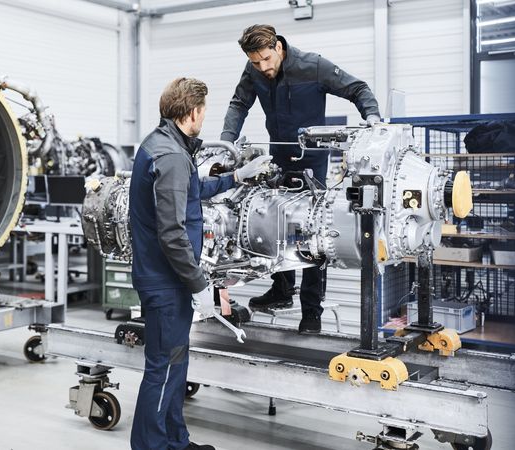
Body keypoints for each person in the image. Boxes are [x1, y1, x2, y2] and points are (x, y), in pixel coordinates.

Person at [129, 77, 272, 450]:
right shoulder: (172, 157)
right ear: (192, 112)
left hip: (166, 278)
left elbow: (194, 193)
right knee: (162, 368)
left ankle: (176, 440)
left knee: (176, 363)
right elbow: (172, 234)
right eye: (204, 111)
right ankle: (152, 446)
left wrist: (237, 177)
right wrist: (198, 284)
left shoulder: (164, 145)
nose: (204, 118)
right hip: (166, 282)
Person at [220, 24, 382, 334]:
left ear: (278, 47)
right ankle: (281, 288)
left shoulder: (314, 65)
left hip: (313, 162)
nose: (263, 68)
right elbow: (239, 103)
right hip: (278, 158)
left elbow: (357, 88)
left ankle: (311, 311)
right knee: (273, 223)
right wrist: (227, 142)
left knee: (313, 234)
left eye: (266, 59)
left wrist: (372, 116)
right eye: (256, 62)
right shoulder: (253, 70)